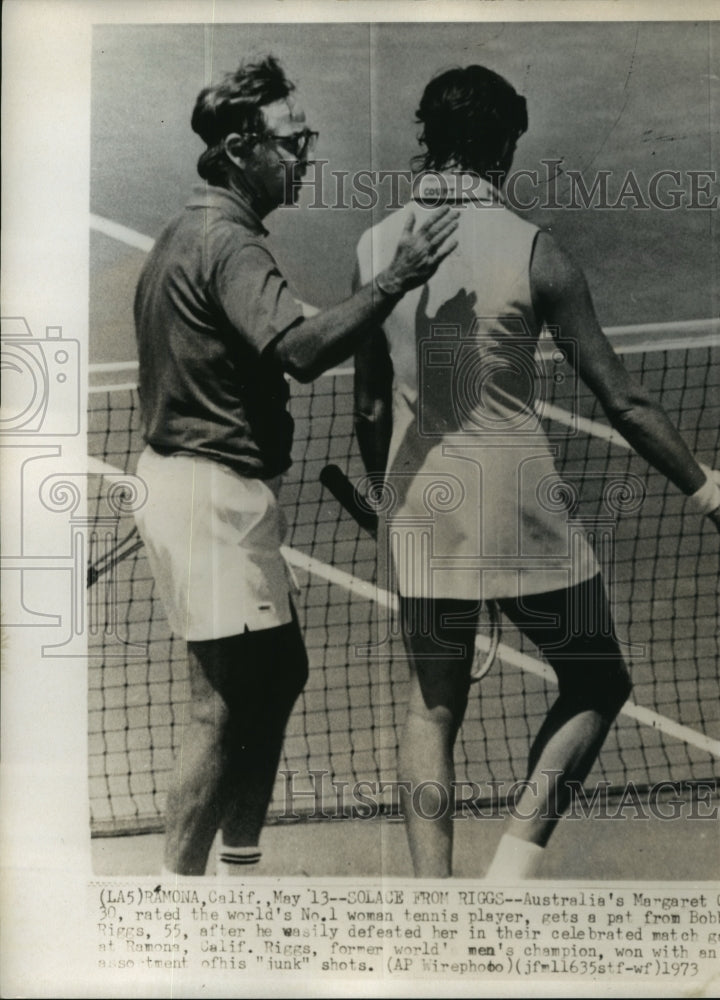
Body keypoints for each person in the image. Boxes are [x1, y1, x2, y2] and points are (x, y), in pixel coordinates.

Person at [353, 64, 720, 880]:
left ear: (429, 138)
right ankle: (508, 879)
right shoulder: (538, 254)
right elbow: (624, 402)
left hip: (424, 509)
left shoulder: (374, 249)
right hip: (522, 507)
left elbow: (371, 410)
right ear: (505, 145)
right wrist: (719, 503)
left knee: (431, 709)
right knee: (597, 679)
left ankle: (434, 907)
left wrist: (388, 505)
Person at [132, 55, 458, 877]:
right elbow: (305, 352)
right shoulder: (230, 246)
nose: (305, 155)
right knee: (223, 706)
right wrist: (396, 279)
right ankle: (175, 903)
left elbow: (245, 346)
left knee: (277, 676)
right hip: (211, 499)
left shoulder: (189, 230)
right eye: (292, 140)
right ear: (242, 149)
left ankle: (238, 870)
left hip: (198, 486)